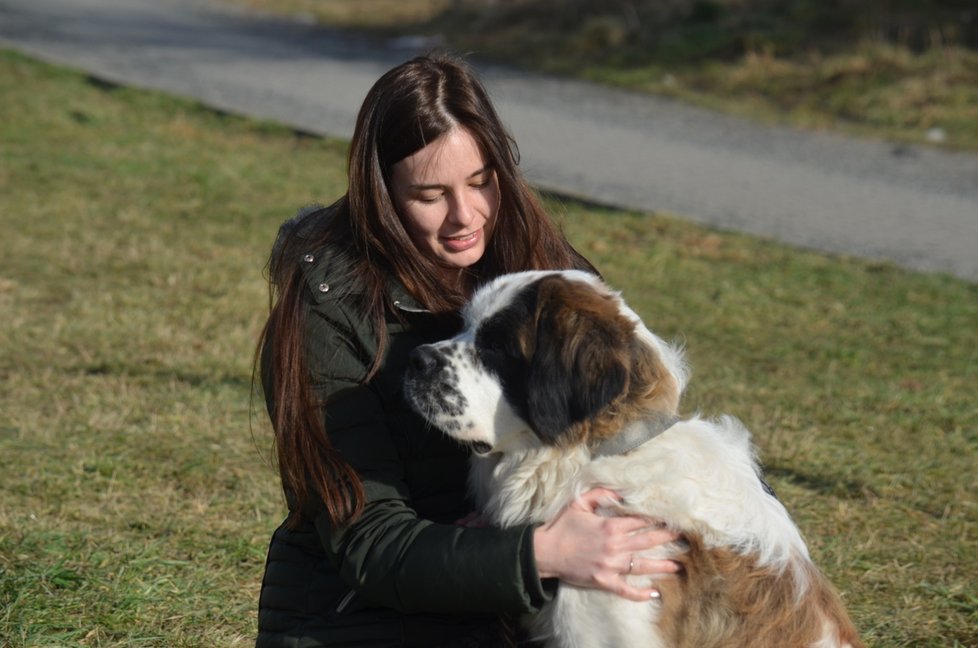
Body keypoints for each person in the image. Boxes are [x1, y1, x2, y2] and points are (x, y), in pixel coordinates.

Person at [255, 52, 680, 648]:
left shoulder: (538, 266)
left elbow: (640, 413)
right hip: (360, 620)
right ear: (380, 194)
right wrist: (539, 553)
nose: (465, 217)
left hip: (516, 605)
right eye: (430, 195)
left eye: (481, 182)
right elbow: (370, 545)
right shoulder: (325, 312)